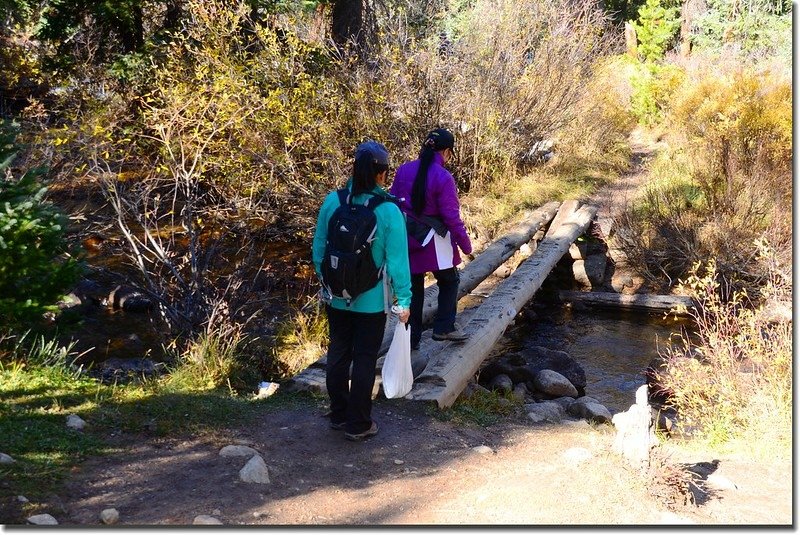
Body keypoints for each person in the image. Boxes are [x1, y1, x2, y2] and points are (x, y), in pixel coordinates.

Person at [312, 140, 411, 442]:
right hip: (370, 303)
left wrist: (328, 281)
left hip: (336, 298)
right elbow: (397, 263)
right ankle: (359, 423)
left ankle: (339, 414)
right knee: (365, 357)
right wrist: (404, 300)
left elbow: (318, 249)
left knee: (338, 352)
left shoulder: (333, 201)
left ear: (354, 169)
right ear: (382, 174)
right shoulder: (389, 211)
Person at [389, 128, 472, 351]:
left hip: (407, 236)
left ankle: (411, 340)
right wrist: (466, 245)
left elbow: (394, 202)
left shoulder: (404, 169)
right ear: (447, 152)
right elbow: (451, 217)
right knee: (449, 280)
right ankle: (443, 328)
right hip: (433, 239)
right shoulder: (443, 177)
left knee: (413, 289)